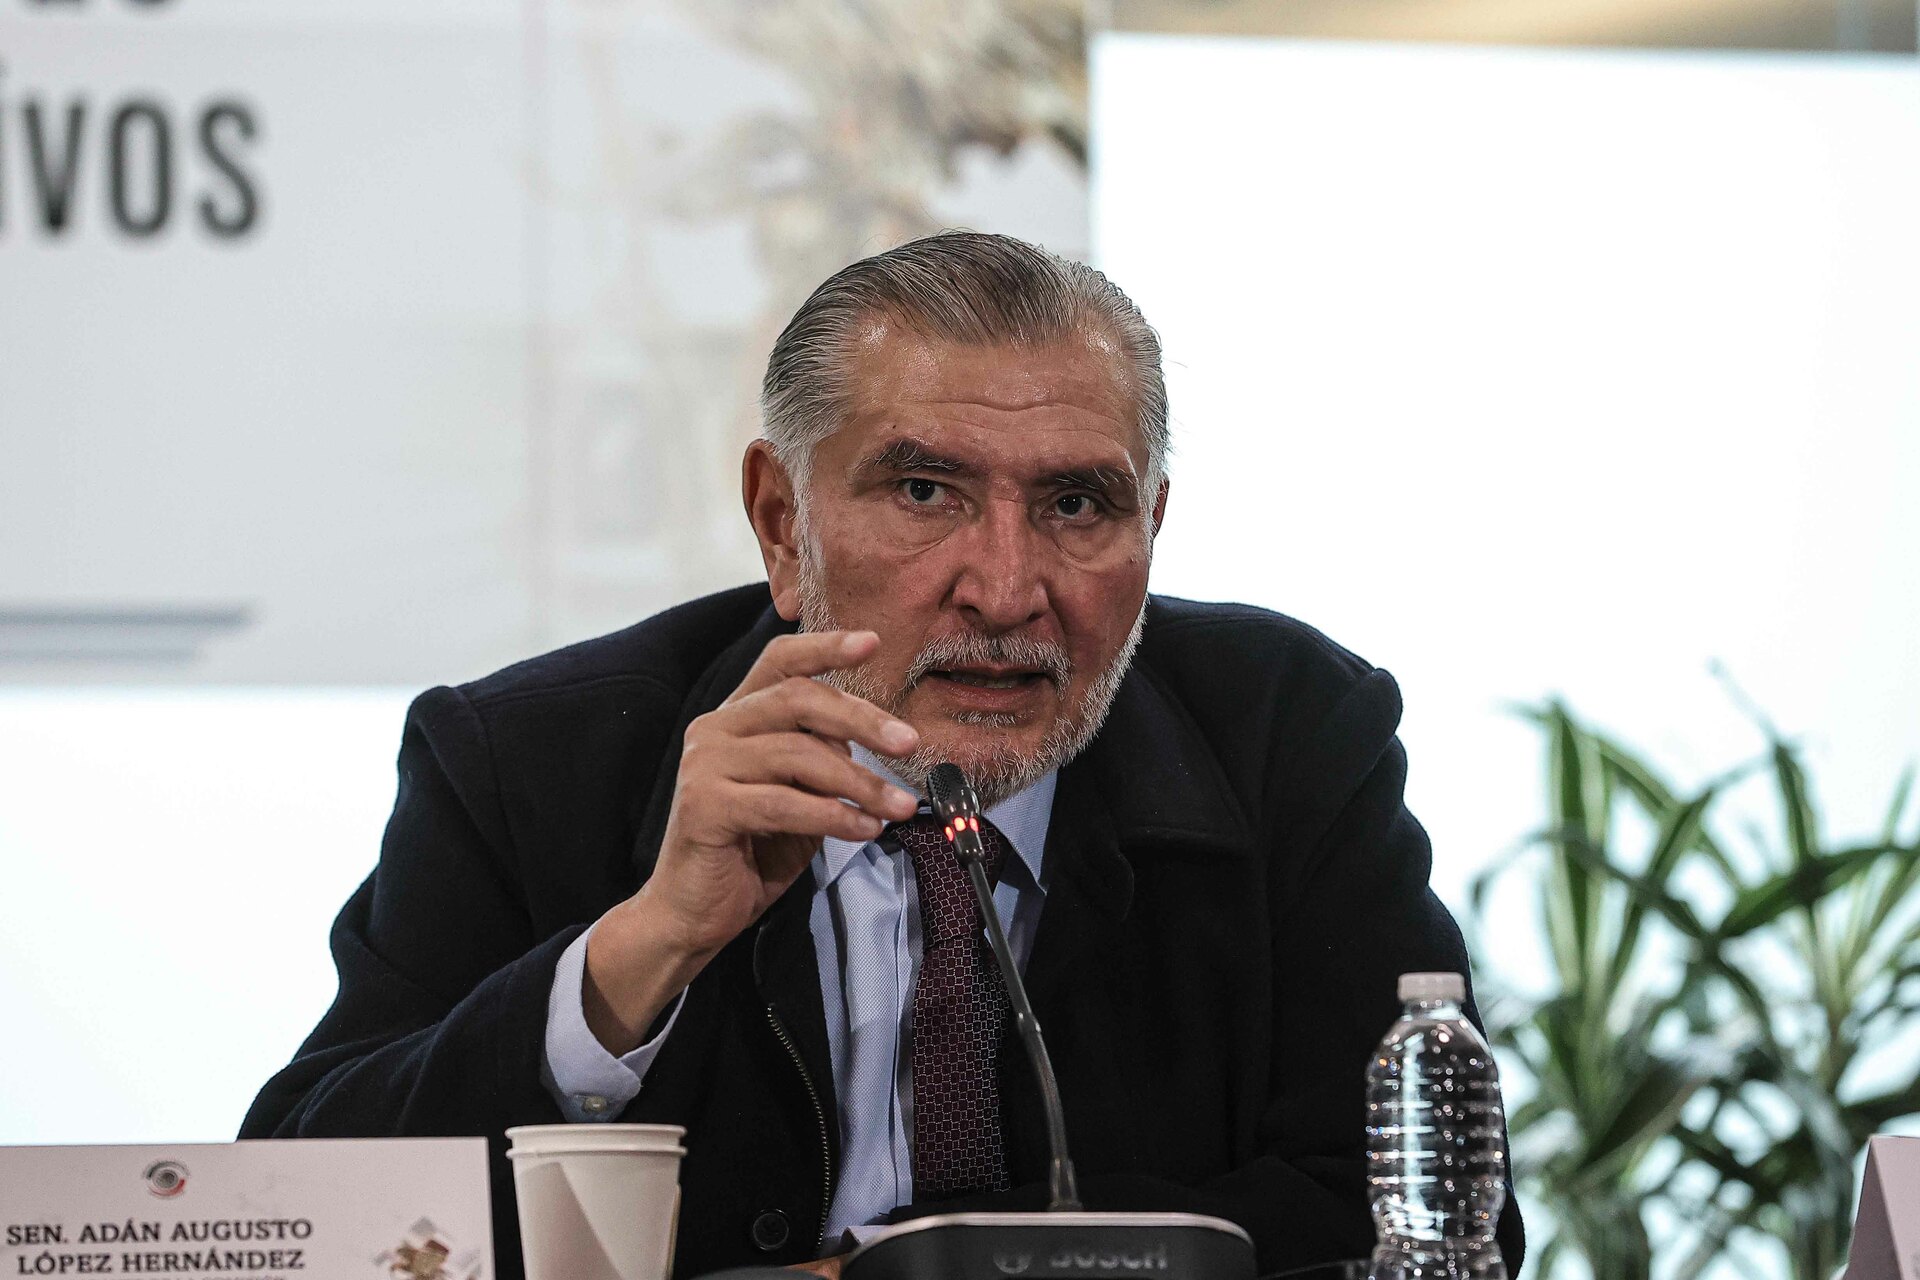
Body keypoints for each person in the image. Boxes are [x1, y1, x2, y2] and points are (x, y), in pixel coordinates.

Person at [243, 231, 1525, 1280]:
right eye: (925, 493)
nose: (1007, 589)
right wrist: (643, 948)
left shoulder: (1290, 734)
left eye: (1078, 503)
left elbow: (1432, 1223)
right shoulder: (529, 758)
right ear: (781, 524)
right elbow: (299, 1216)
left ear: (1154, 523)